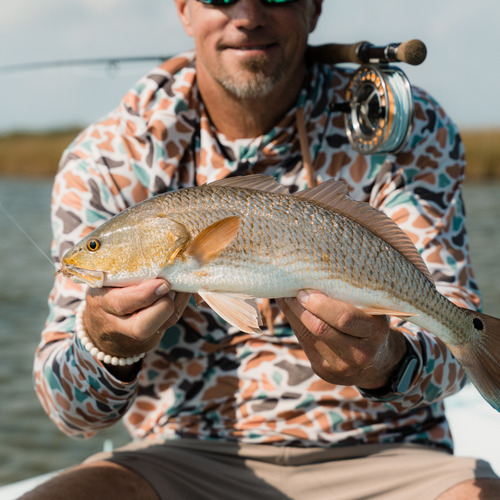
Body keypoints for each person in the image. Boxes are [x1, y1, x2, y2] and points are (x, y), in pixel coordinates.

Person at [23, 1, 500, 499]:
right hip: (182, 458)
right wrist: (108, 346)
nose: (247, 14)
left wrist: (387, 360)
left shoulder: (401, 122)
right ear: (185, 9)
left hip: (390, 454)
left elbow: (452, 356)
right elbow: (69, 414)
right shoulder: (108, 154)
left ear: (314, 8)